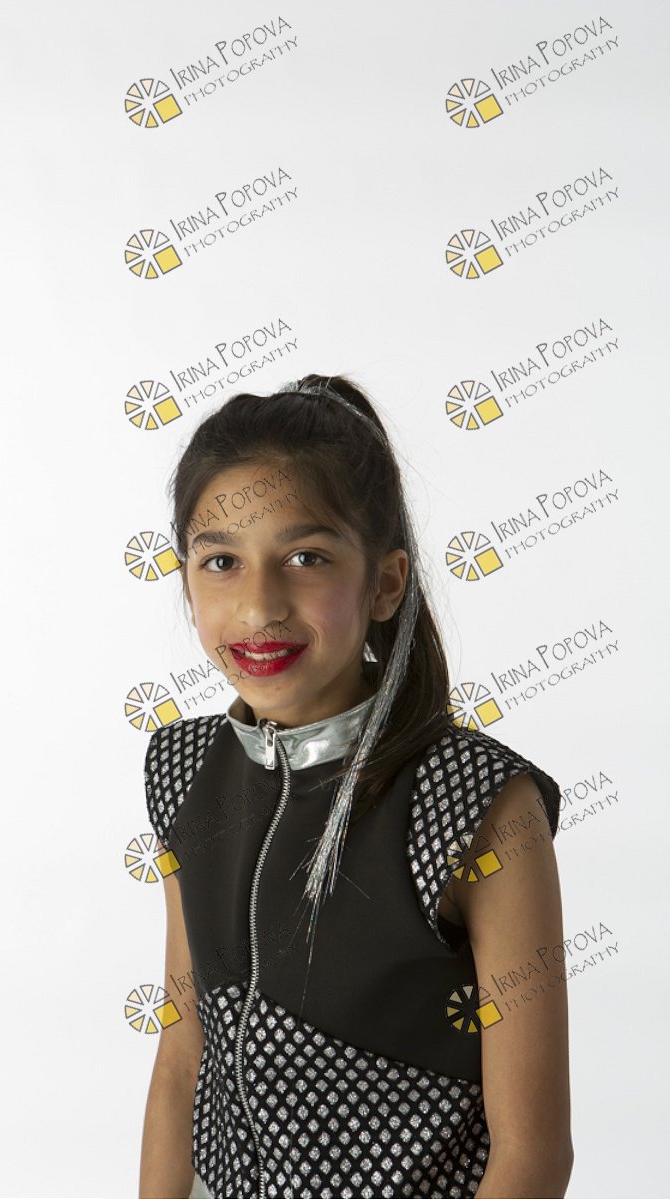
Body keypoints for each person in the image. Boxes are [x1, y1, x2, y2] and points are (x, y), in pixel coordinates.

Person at [139, 373, 573, 1199]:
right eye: (221, 561)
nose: (259, 606)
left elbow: (533, 1155)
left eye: (306, 558)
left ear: (385, 582)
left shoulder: (479, 802)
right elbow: (181, 1059)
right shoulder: (184, 770)